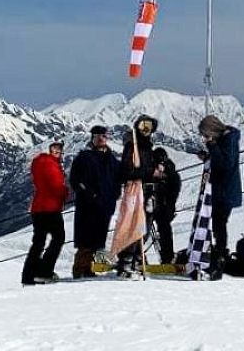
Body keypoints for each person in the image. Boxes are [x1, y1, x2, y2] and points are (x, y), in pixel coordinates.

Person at [68, 126, 121, 278]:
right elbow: (75, 180)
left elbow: (118, 180)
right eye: (97, 136)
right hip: (88, 206)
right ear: (92, 138)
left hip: (105, 207)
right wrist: (88, 194)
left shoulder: (112, 160)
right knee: (86, 240)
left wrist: (115, 194)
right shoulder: (84, 157)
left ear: (107, 138)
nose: (100, 138)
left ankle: (88, 269)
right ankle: (79, 270)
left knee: (98, 240)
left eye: (103, 135)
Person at [114, 115, 158, 276]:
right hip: (135, 191)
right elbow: (127, 171)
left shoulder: (147, 148)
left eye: (149, 126)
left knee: (144, 226)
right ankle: (125, 261)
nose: (146, 130)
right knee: (132, 225)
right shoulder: (132, 147)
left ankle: (137, 258)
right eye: (143, 126)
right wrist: (148, 172)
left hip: (147, 191)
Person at [21, 140, 69, 285]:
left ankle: (28, 274)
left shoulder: (37, 163)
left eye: (59, 150)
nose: (58, 153)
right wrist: (66, 192)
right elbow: (57, 187)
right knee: (58, 238)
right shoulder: (52, 165)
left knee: (38, 242)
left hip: (37, 208)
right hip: (51, 208)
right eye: (56, 150)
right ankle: (44, 271)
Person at [197, 114, 241, 268]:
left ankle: (220, 253)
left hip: (224, 191)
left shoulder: (228, 141)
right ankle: (219, 251)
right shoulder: (226, 140)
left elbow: (225, 164)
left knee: (219, 223)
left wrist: (212, 147)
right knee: (218, 223)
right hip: (222, 190)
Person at [148, 146, 181, 265]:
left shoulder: (170, 174)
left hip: (161, 207)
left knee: (163, 232)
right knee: (162, 231)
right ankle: (166, 257)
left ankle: (167, 258)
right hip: (158, 207)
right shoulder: (170, 174)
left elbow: (173, 193)